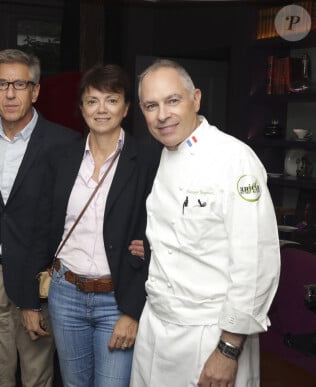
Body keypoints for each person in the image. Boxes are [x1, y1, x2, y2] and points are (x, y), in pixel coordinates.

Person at [130, 58, 281, 387]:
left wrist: (227, 350)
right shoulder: (159, 156)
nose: (162, 115)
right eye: (151, 105)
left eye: (173, 101)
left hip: (210, 335)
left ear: (196, 99)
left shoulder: (234, 159)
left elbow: (255, 262)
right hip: (156, 327)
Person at [32, 64, 159, 387]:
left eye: (112, 100)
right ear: (81, 108)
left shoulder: (147, 160)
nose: (101, 109)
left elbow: (159, 235)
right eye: (92, 101)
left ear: (127, 107)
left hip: (117, 299)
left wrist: (132, 312)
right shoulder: (61, 157)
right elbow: (44, 224)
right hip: (66, 293)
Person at [0, 48, 80, 387]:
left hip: (40, 282)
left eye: (19, 84)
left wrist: (39, 294)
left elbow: (69, 218)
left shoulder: (66, 144)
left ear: (35, 91)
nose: (9, 93)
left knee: (37, 378)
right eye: (1, 84)